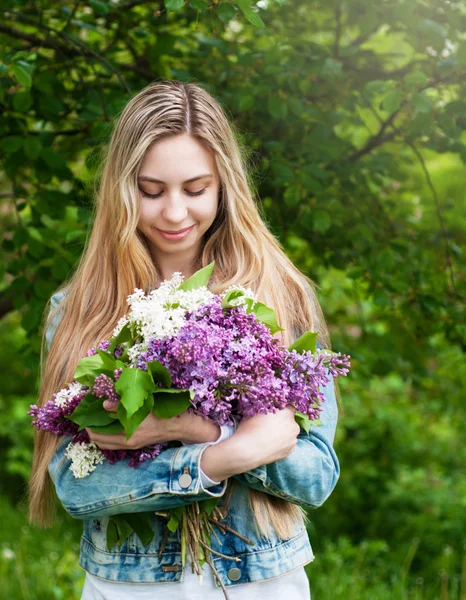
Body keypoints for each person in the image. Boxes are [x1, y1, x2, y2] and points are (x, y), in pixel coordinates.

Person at [29, 79, 341, 600]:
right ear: (122, 190)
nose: (175, 213)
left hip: (261, 582)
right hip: (127, 587)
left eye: (196, 190)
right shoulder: (80, 309)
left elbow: (315, 476)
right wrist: (214, 456)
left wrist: (196, 428)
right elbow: (74, 485)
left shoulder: (281, 295)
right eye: (151, 191)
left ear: (225, 186)